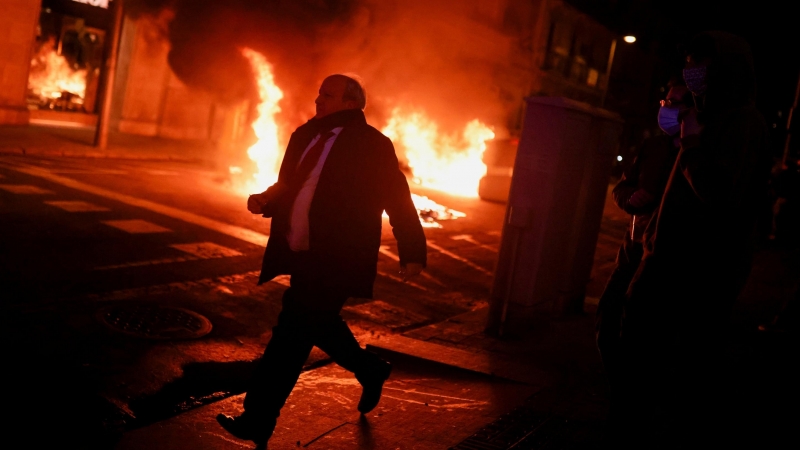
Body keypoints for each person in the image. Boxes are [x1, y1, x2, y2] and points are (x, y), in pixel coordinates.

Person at [216, 74, 427, 448]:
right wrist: (267, 200)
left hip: (338, 257)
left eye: (327, 95)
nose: (318, 99)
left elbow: (397, 197)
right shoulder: (305, 135)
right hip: (302, 251)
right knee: (317, 325)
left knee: (290, 336)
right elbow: (291, 184)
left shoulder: (372, 145)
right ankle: (370, 369)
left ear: (351, 104)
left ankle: (258, 419)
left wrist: (412, 251)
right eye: (319, 93)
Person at [616, 31, 771, 447]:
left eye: (699, 63)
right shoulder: (706, 116)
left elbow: (721, 196)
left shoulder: (742, 124)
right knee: (635, 361)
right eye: (687, 62)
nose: (691, 72)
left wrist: (694, 146)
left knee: (678, 377)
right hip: (663, 263)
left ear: (725, 70)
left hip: (698, 276)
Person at [595, 79, 691, 418]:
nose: (668, 106)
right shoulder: (655, 147)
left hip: (668, 259)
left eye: (678, 101)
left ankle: (636, 407)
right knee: (608, 323)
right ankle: (625, 398)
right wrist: (630, 199)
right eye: (666, 100)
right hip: (632, 250)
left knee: (646, 337)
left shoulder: (696, 152)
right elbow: (624, 186)